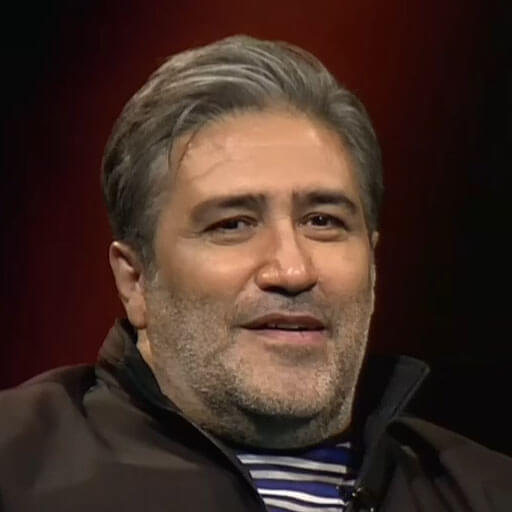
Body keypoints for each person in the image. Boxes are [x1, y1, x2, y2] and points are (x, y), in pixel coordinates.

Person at [0, 35, 510, 512]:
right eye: (233, 225)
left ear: (373, 266)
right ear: (135, 280)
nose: (292, 270)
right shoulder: (16, 466)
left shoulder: (489, 490)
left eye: (323, 221)